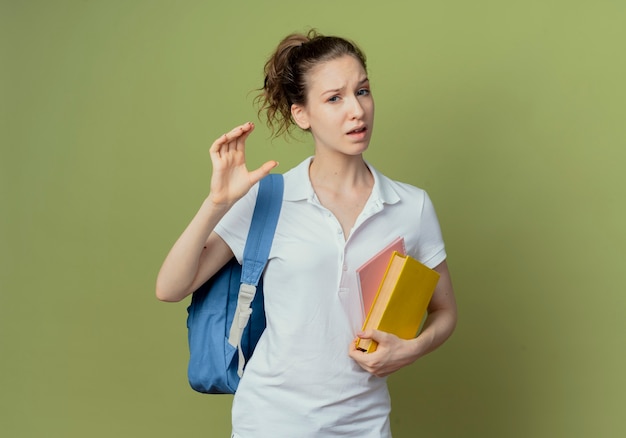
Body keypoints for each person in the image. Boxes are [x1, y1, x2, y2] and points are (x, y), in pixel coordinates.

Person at [156, 29, 457, 438]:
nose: (357, 110)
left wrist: (411, 349)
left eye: (363, 91)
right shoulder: (268, 197)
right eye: (334, 98)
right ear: (302, 114)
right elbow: (170, 287)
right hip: (270, 422)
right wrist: (217, 203)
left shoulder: (410, 205)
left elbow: (444, 311)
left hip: (365, 425)